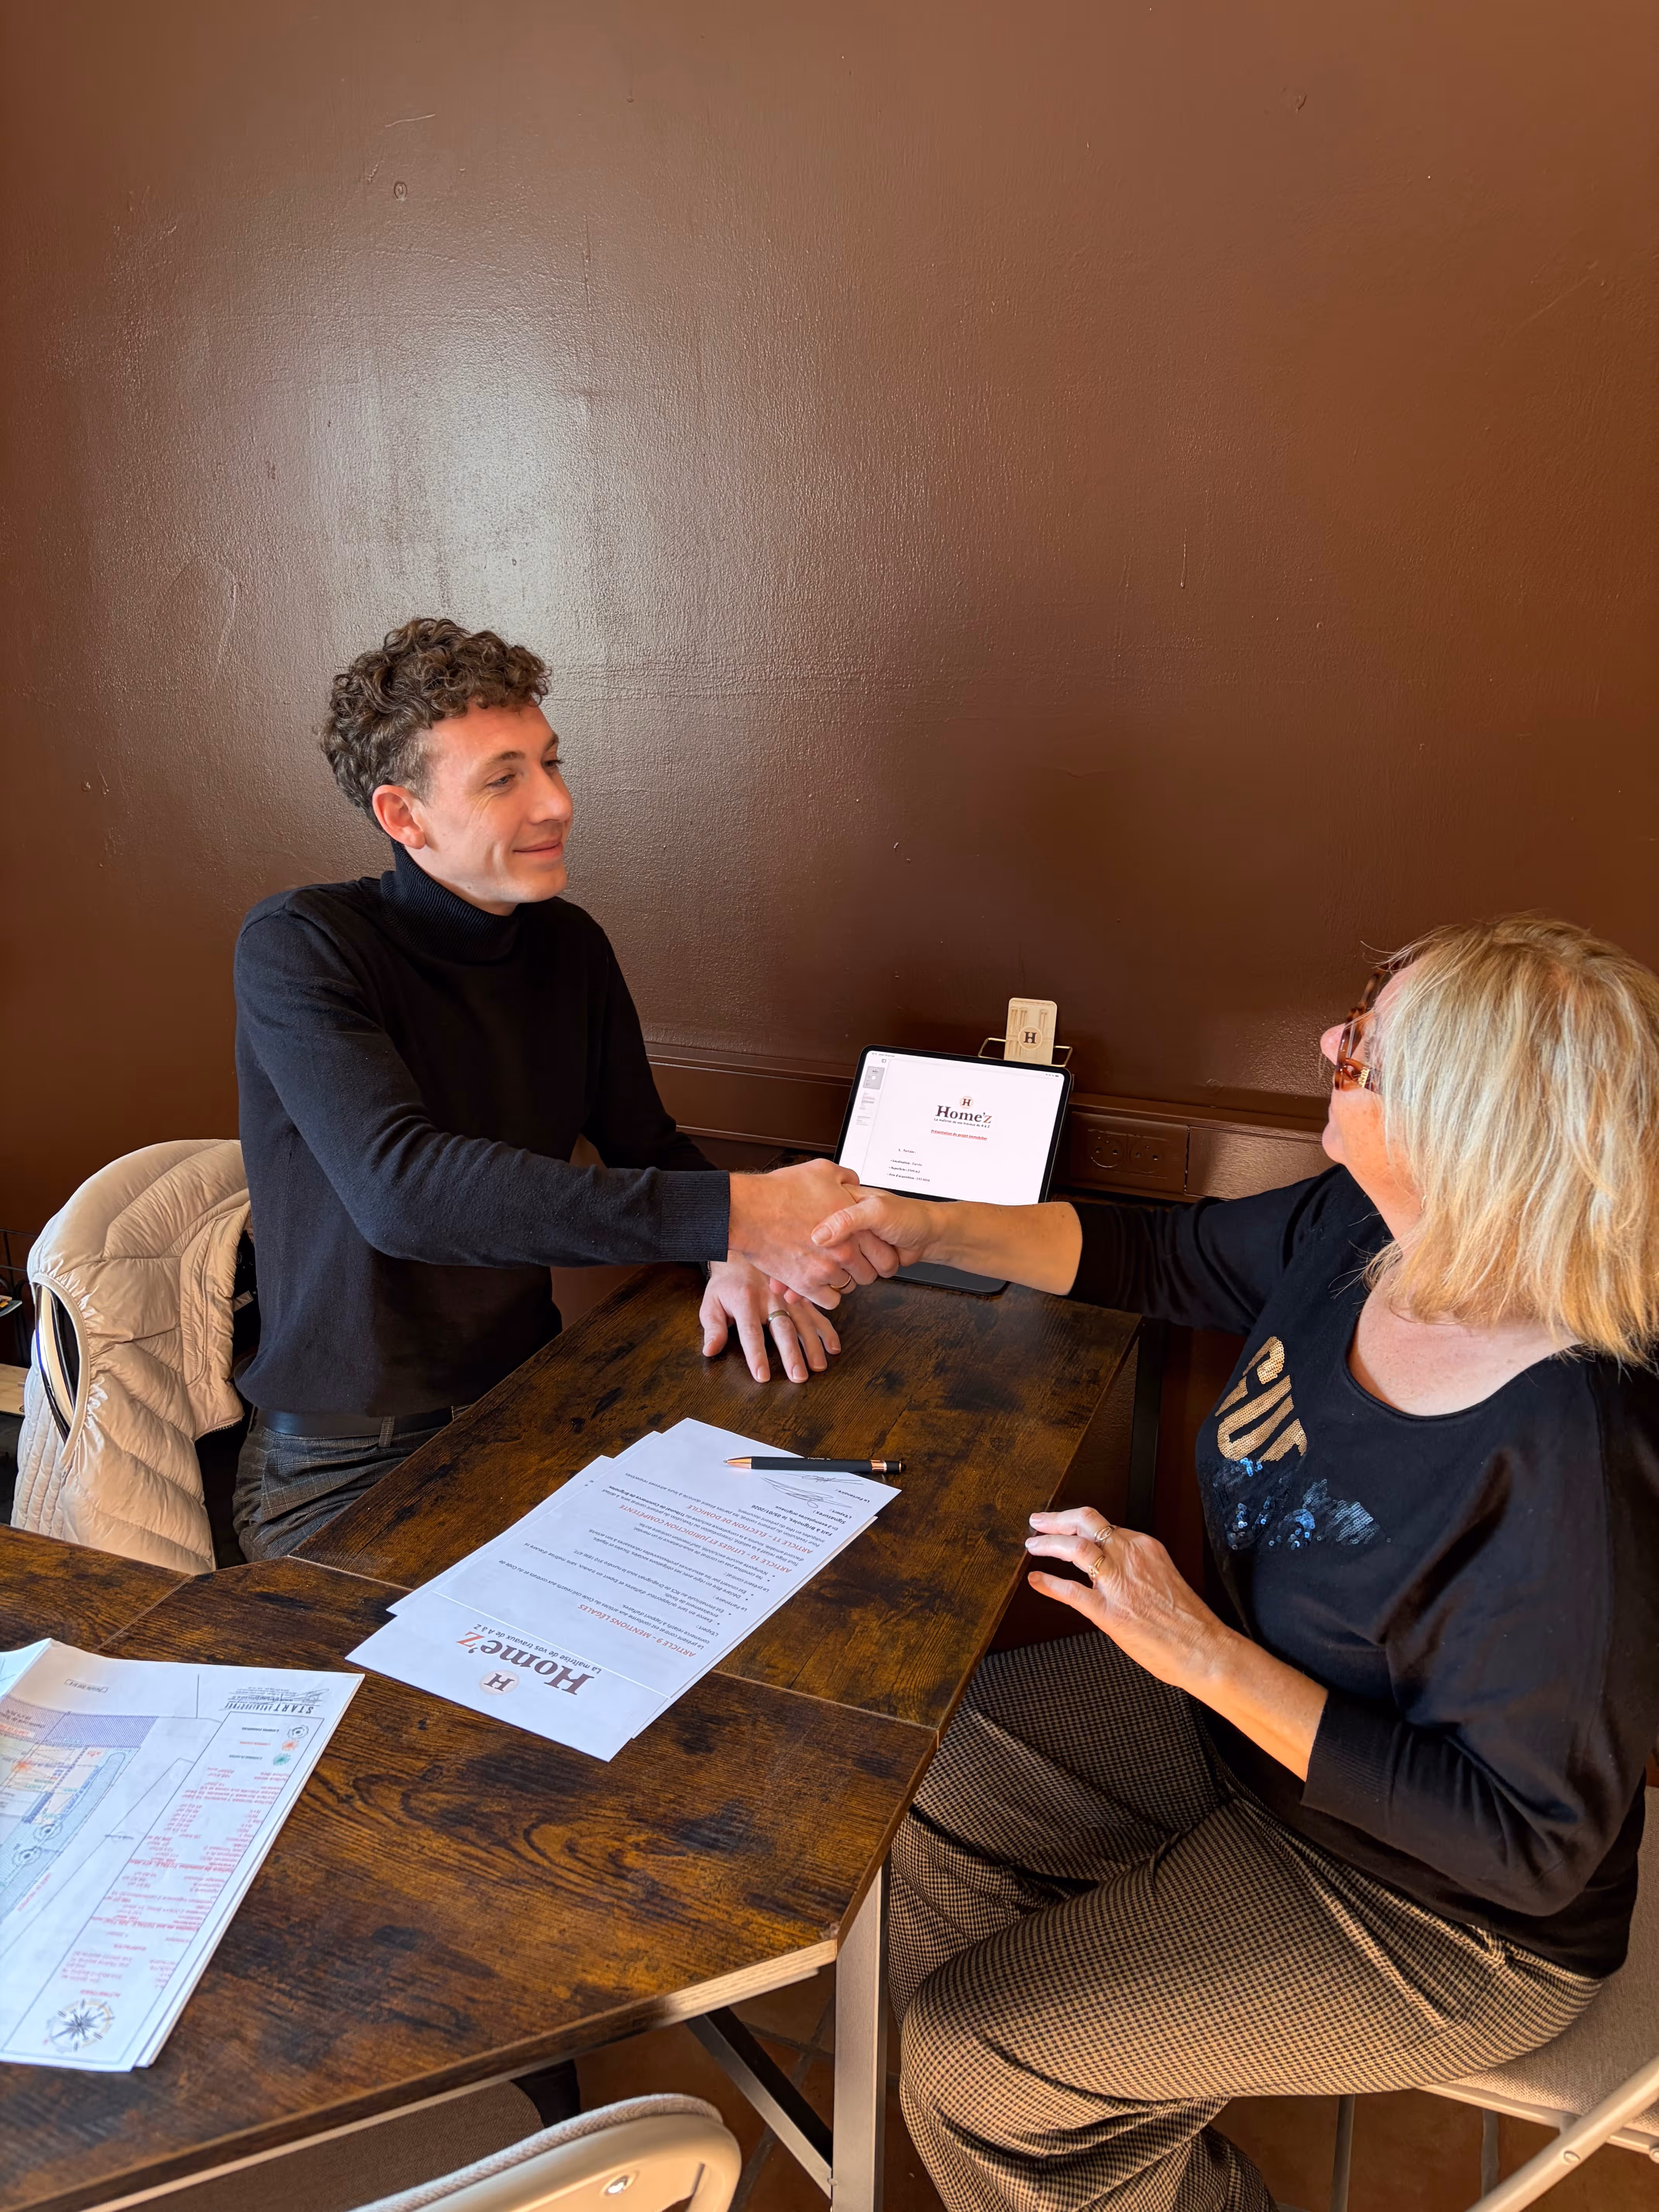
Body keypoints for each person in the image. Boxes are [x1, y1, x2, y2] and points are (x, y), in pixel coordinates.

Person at [811, 915, 1659, 2212]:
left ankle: (1036, 2124)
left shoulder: (1566, 1450)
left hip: (1439, 1913)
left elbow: (1523, 1843)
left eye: (1361, 1050)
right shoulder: (1363, 1230)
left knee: (970, 2055)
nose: (1325, 1042)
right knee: (938, 1775)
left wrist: (1200, 1654)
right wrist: (922, 1226)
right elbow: (1160, 1255)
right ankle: (1070, 2149)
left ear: (1460, 1126)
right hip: (1253, 1745)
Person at [232, 617, 872, 1561]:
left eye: (550, 763)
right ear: (404, 817)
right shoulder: (301, 944)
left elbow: (646, 1146)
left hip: (527, 1406)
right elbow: (403, 1195)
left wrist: (730, 1250)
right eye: (504, 779)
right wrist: (738, 1212)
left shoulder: (570, 944)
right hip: (344, 1462)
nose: (557, 803)